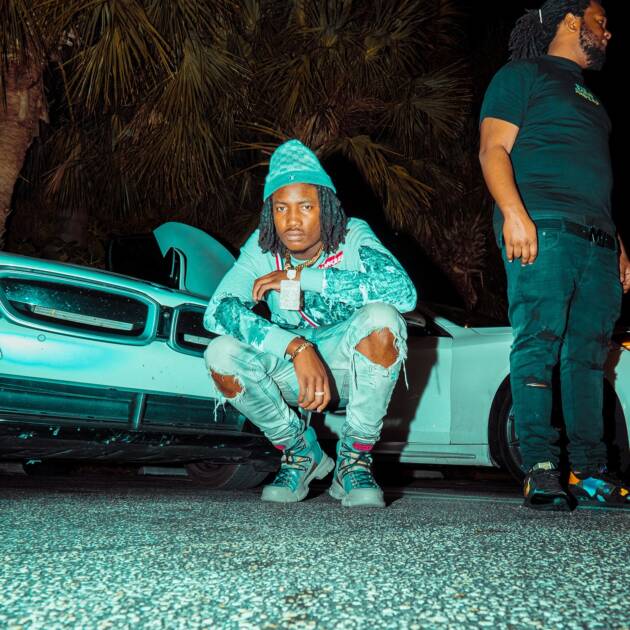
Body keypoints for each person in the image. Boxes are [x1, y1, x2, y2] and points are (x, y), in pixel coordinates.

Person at [203, 139, 416, 508]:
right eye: (281, 208)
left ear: (326, 208)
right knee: (220, 354)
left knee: (383, 319)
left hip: (350, 367)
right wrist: (295, 347)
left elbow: (403, 293)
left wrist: (303, 278)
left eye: (306, 206)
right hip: (294, 372)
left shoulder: (352, 235)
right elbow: (217, 310)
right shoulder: (263, 247)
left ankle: (354, 460)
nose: (292, 221)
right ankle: (300, 453)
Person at [479, 0, 630, 509]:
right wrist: (514, 215)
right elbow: (493, 149)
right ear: (570, 21)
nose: (607, 33)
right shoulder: (523, 75)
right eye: (600, 22)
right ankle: (540, 466)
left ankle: (589, 471)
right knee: (538, 343)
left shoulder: (593, 98)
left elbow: (594, 181)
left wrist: (617, 243)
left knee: (588, 357)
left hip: (598, 241)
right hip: (542, 228)